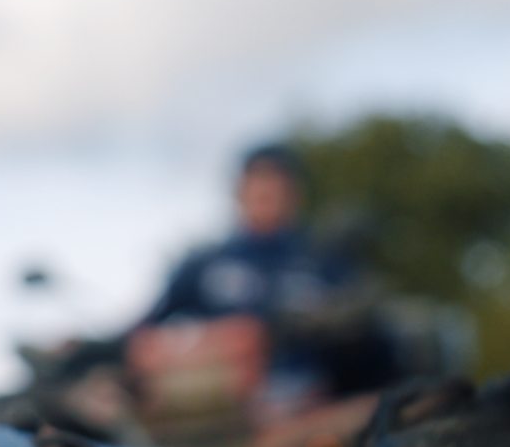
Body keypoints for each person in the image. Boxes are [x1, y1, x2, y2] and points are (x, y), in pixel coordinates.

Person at [137, 143, 396, 406]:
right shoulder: (205, 264)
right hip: (230, 402)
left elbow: (372, 337)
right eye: (257, 179)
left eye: (277, 181)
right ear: (239, 190)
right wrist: (220, 340)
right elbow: (145, 335)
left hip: (312, 403)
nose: (266, 190)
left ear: (295, 192)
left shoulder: (324, 260)